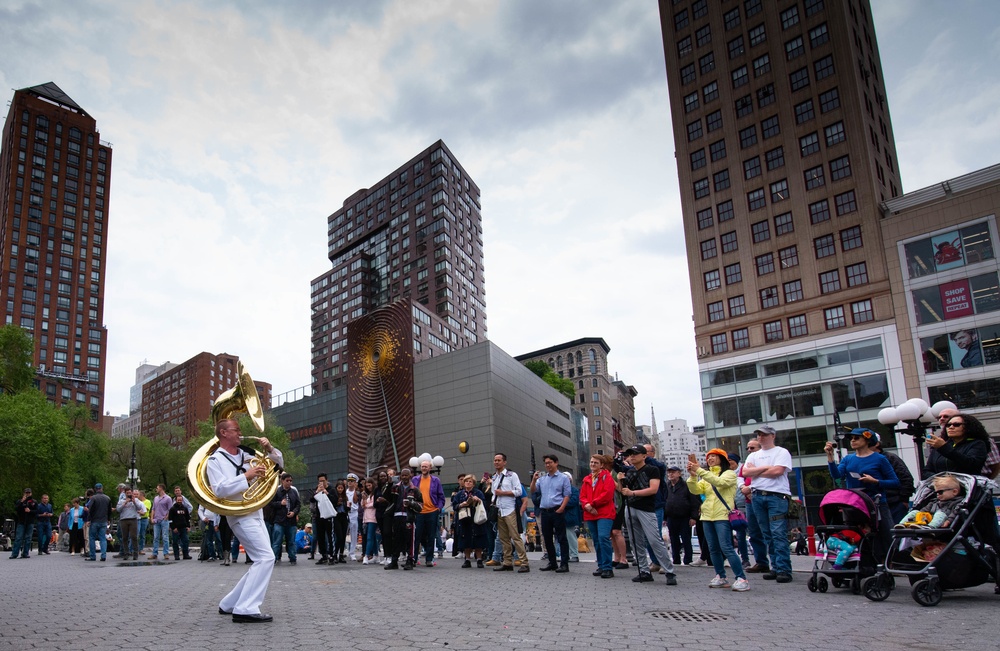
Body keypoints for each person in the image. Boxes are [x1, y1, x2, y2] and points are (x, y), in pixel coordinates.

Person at [206, 418, 284, 623]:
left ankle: (230, 603)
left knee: (262, 558)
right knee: (266, 558)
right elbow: (219, 489)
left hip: (255, 511)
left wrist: (269, 449)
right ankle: (245, 608)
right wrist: (247, 476)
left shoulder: (247, 453)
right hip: (239, 514)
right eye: (236, 430)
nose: (240, 433)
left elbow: (279, 465)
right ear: (223, 433)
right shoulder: (215, 460)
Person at [824, 427, 899, 552]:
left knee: (886, 534)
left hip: (877, 503)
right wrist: (830, 457)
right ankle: (861, 562)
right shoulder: (848, 458)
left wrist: (876, 481)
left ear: (867, 440)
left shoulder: (880, 459)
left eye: (856, 438)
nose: (853, 441)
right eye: (851, 438)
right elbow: (837, 475)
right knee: (854, 533)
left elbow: (895, 482)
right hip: (854, 504)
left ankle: (890, 562)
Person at [686, 448, 749, 592]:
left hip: (722, 515)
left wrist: (700, 471)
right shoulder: (707, 476)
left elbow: (720, 483)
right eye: (708, 457)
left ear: (722, 459)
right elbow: (695, 490)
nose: (710, 459)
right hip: (707, 516)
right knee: (713, 548)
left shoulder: (729, 474)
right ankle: (720, 576)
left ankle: (741, 578)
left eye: (714, 456)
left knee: (726, 547)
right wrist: (693, 476)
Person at [741, 425, 793, 583]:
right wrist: (765, 468)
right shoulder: (754, 455)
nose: (761, 437)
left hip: (776, 496)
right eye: (759, 435)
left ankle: (784, 568)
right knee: (767, 534)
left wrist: (756, 470)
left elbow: (777, 472)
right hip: (757, 495)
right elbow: (745, 472)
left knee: (778, 533)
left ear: (773, 436)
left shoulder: (781, 452)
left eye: (764, 435)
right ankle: (775, 567)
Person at [619, 446, 677, 586]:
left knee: (654, 539)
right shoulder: (630, 471)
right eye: (630, 455)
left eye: (635, 454)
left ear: (644, 456)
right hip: (630, 507)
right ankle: (644, 570)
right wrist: (621, 481)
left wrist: (633, 493)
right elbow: (623, 491)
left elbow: (653, 489)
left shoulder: (652, 469)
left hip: (646, 509)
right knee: (635, 541)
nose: (632, 457)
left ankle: (669, 571)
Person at [530, 454, 573, 574]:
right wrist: (533, 480)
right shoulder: (542, 479)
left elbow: (567, 494)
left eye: (550, 462)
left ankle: (564, 563)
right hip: (545, 511)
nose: (548, 465)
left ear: (556, 463)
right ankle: (552, 562)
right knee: (547, 538)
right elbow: (533, 490)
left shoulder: (563, 478)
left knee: (561, 537)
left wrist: (562, 507)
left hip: (557, 510)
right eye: (546, 463)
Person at [491, 453, 530, 573]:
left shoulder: (512, 475)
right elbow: (494, 493)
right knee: (503, 538)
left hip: (510, 509)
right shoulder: (494, 477)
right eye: (495, 460)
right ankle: (507, 562)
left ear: (504, 462)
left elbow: (518, 491)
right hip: (499, 510)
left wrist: (503, 493)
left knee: (515, 536)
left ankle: (524, 562)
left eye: (499, 460)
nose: (496, 462)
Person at [580, 454, 616, 578]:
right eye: (591, 462)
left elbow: (607, 495)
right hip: (591, 513)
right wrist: (587, 506)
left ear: (601, 465)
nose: (593, 464)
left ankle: (607, 567)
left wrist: (592, 504)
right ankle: (601, 565)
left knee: (603, 538)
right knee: (596, 540)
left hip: (604, 513)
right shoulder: (587, 479)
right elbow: (582, 496)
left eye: (596, 462)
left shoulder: (607, 477)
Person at [925, 413, 990, 476]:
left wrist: (944, 447)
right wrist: (940, 479)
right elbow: (926, 471)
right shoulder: (941, 445)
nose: (951, 427)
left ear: (968, 427)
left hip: (965, 485)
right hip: (939, 485)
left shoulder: (977, 444)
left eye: (956, 424)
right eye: (948, 425)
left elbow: (971, 464)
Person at [897, 473, 965, 528]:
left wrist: (948, 521)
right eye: (936, 492)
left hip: (944, 521)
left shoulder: (958, 502)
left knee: (940, 513)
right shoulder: (934, 502)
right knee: (915, 512)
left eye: (940, 492)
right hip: (927, 520)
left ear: (954, 492)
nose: (937, 494)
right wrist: (919, 515)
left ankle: (931, 527)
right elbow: (924, 510)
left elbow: (955, 513)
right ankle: (903, 524)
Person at [410, 461, 444, 568]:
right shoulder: (415, 480)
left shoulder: (435, 480)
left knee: (431, 536)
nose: (424, 468)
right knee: (417, 536)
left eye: (426, 466)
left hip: (432, 511)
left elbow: (441, 496)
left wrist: (438, 508)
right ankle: (414, 558)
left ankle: (429, 559)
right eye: (422, 466)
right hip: (419, 512)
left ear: (430, 468)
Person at [873, 438, 915, 524]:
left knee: (898, 532)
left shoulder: (890, 458)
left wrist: (904, 500)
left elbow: (906, 478)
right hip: (876, 504)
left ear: (876, 444)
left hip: (895, 503)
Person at [663, 465, 698, 567]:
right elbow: (665, 501)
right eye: (669, 472)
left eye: (673, 472)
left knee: (686, 538)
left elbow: (694, 502)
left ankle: (688, 559)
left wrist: (693, 517)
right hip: (671, 516)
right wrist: (665, 517)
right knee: (673, 539)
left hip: (684, 516)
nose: (670, 474)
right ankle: (676, 559)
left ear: (679, 473)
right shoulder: (667, 486)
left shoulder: (686, 485)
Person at [453, 474, 487, 568]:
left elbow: (484, 503)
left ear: (473, 483)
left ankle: (479, 559)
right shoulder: (460, 494)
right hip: (464, 519)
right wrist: (462, 504)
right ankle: (467, 559)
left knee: (478, 539)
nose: (468, 483)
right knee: (465, 539)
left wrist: (478, 500)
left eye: (470, 481)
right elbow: (454, 506)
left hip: (476, 518)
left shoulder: (478, 492)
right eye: (466, 481)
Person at [270, 472, 300, 565]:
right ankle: (274, 558)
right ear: (282, 481)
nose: (289, 482)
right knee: (277, 541)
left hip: (291, 521)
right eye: (287, 481)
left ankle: (292, 558)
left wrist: (294, 512)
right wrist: (280, 503)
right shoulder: (277, 491)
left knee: (291, 541)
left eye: (291, 481)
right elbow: (271, 503)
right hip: (279, 520)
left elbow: (298, 505)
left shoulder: (294, 492)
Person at [117, 487, 147, 561]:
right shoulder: (121, 501)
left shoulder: (136, 500)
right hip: (124, 519)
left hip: (133, 519)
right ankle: (126, 553)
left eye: (130, 493)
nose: (129, 494)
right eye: (127, 493)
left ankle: (135, 553)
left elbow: (140, 507)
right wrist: (125, 502)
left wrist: (134, 502)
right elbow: (118, 509)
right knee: (125, 537)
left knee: (134, 537)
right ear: (125, 493)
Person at [311, 474, 335, 565]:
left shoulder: (331, 489)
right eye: (320, 481)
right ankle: (323, 555)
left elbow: (334, 500)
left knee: (330, 536)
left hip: (328, 516)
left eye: (323, 480)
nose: (322, 482)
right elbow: (312, 500)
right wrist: (317, 491)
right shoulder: (317, 490)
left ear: (326, 480)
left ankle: (332, 555)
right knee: (320, 536)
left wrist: (326, 492)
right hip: (319, 516)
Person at [86, 483, 112, 562]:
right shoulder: (107, 498)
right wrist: (108, 519)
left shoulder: (93, 498)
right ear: (102, 488)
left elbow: (91, 510)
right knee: (103, 538)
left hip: (94, 521)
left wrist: (89, 520)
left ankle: (92, 556)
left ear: (95, 489)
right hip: (103, 521)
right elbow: (109, 510)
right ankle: (103, 555)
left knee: (92, 538)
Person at [9, 488, 37, 559]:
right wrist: (22, 501)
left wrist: (30, 511)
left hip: (30, 522)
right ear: (24, 493)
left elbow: (36, 512)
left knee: (28, 538)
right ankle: (14, 553)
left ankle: (25, 553)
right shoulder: (20, 501)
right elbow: (16, 509)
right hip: (21, 521)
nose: (27, 494)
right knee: (18, 538)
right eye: (26, 493)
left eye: (29, 493)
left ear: (31, 493)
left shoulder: (34, 502)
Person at [150, 484, 172, 561]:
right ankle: (154, 553)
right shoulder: (156, 498)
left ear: (161, 489)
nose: (156, 489)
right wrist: (152, 518)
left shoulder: (168, 498)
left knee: (165, 537)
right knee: (156, 537)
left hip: (164, 519)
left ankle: (166, 553)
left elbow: (170, 509)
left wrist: (166, 517)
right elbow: (153, 508)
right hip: (156, 519)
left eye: (157, 488)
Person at [360, 477, 379, 564]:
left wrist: (366, 504)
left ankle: (366, 555)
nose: (368, 487)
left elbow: (374, 505)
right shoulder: (366, 495)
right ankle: (376, 555)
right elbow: (363, 505)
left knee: (369, 537)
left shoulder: (375, 493)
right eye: (367, 486)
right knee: (373, 537)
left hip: (373, 518)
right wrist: (364, 499)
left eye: (369, 485)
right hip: (366, 518)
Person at [168, 495, 192, 560]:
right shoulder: (172, 509)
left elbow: (188, 518)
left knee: (185, 541)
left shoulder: (185, 508)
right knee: (175, 542)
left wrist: (188, 526)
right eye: (178, 500)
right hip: (176, 529)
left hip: (184, 528)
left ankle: (186, 555)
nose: (179, 501)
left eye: (180, 500)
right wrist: (173, 528)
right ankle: (176, 555)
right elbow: (170, 519)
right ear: (176, 500)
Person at [332, 479, 350, 563]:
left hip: (344, 516)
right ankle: (335, 554)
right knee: (339, 537)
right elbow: (331, 506)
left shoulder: (345, 497)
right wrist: (337, 503)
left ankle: (341, 555)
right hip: (337, 516)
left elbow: (348, 509)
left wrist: (348, 506)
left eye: (341, 488)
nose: (340, 489)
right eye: (338, 488)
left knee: (343, 537)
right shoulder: (334, 496)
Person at [345, 473, 361, 561]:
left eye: (352, 481)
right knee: (343, 532)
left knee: (354, 534)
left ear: (355, 483)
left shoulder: (358, 493)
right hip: (346, 513)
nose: (350, 483)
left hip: (354, 513)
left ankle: (352, 553)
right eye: (349, 481)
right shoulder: (345, 492)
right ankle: (342, 551)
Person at [137, 490, 151, 555]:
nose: (137, 496)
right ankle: (135, 548)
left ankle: (141, 549)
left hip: (144, 519)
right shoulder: (138, 502)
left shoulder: (147, 501)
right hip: (138, 518)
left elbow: (146, 509)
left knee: (142, 534)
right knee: (136, 534)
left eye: (138, 495)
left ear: (141, 495)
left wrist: (140, 509)